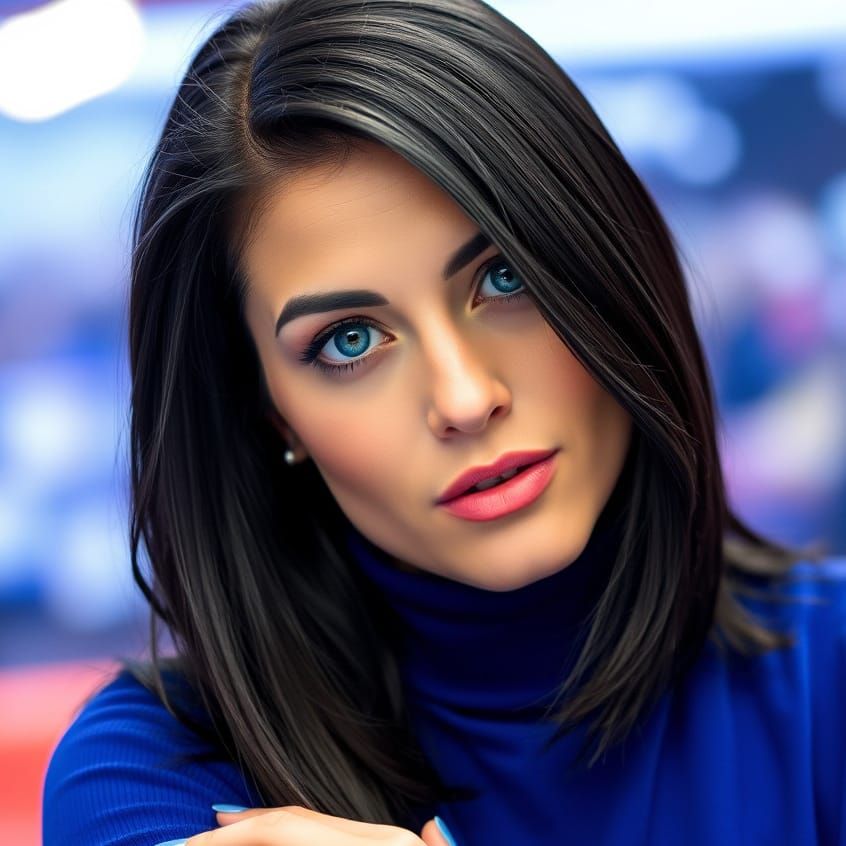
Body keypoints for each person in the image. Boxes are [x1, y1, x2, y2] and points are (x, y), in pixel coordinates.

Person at [42, 0, 845, 844]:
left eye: (504, 280)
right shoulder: (149, 775)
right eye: (350, 342)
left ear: (610, 267)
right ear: (269, 411)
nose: (465, 399)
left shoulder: (825, 671)